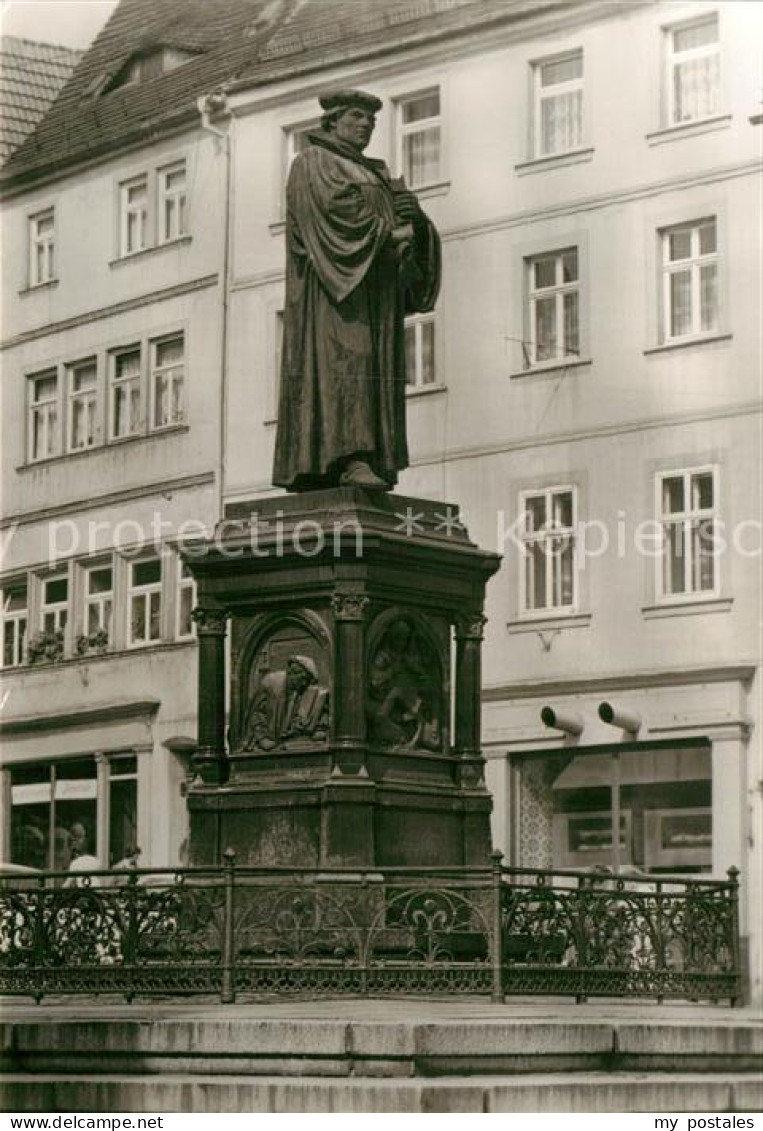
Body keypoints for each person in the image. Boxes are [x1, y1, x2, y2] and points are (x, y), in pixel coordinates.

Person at [273, 89, 441, 492]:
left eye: (371, 120)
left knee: (376, 368)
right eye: (356, 116)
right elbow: (332, 219)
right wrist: (388, 230)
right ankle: (346, 456)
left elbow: (403, 227)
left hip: (375, 293)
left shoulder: (375, 171)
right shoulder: (313, 162)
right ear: (331, 121)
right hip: (336, 294)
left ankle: (372, 457)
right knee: (349, 360)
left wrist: (415, 221)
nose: (366, 124)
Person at [241, 655, 329, 751]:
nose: (304, 684)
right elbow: (256, 713)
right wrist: (263, 739)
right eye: (303, 679)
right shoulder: (271, 684)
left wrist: (319, 728)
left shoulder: (300, 691)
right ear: (292, 673)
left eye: (307, 681)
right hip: (267, 741)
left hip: (289, 742)